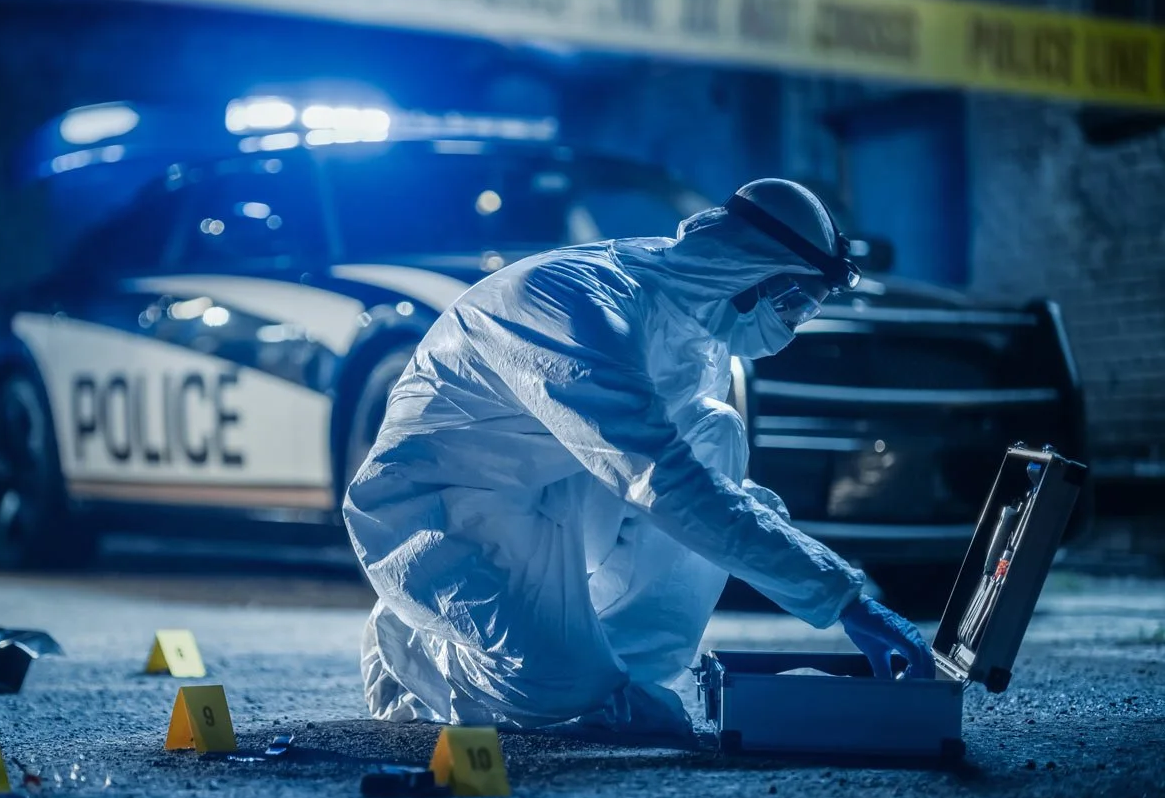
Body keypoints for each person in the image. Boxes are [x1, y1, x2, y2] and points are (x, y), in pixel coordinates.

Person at [344, 178, 934, 737]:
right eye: (795, 304)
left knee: (716, 429)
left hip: (552, 486)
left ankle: (612, 678)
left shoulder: (694, 327)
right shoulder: (579, 305)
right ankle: (415, 644)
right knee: (556, 685)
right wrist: (843, 599)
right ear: (751, 273)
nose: (793, 326)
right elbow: (665, 481)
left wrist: (791, 554)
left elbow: (692, 482)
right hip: (439, 511)